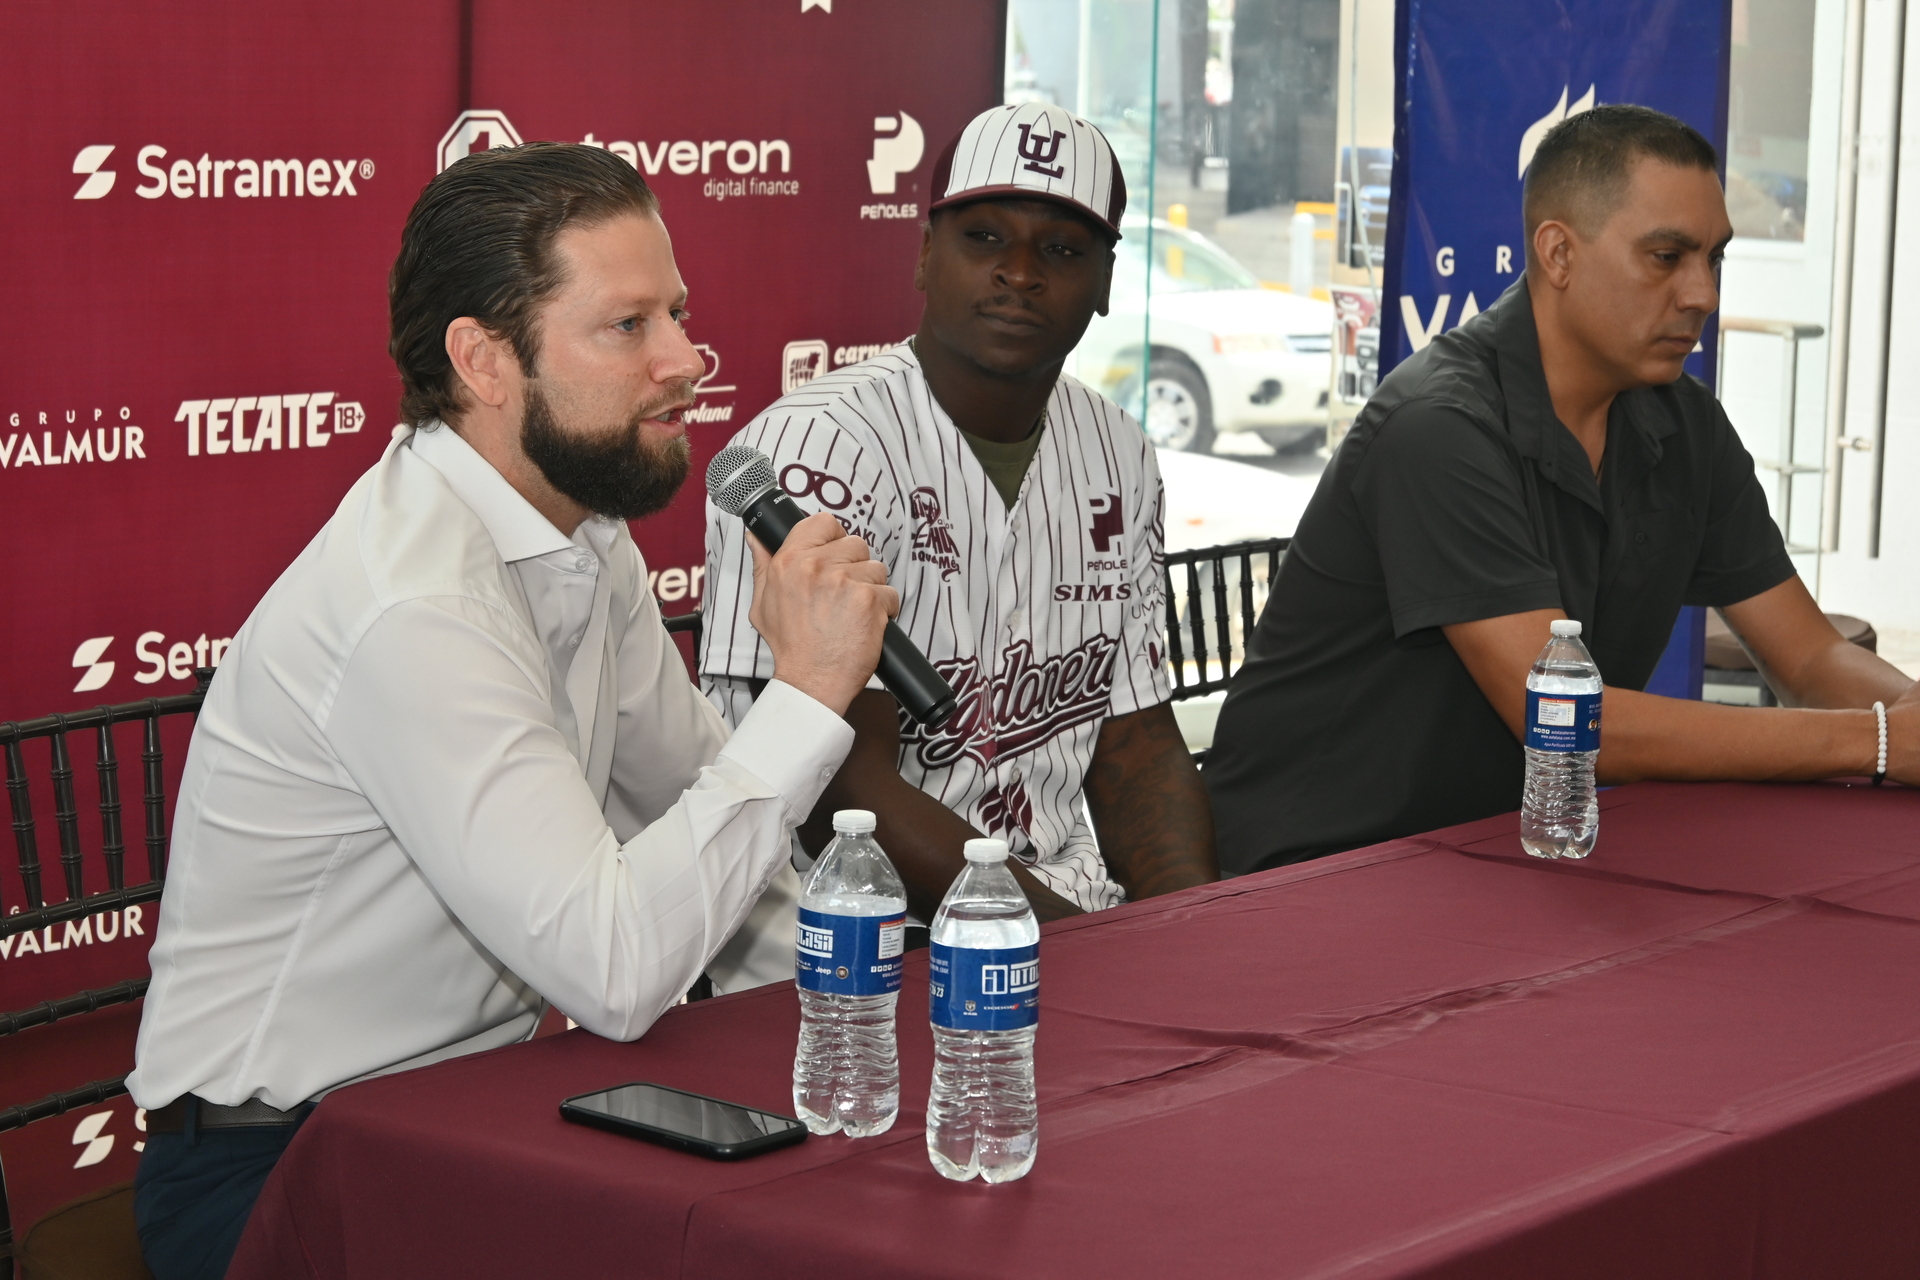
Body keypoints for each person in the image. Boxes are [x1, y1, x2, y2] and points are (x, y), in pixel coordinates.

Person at [125, 143, 896, 1279]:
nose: (686, 360)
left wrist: (863, 1034)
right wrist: (809, 691)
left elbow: (700, 811)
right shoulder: (414, 602)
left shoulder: (586, 532)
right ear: (484, 361)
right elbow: (616, 967)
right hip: (278, 1168)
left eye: (677, 313)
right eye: (626, 326)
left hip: (478, 1108)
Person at [1205, 104, 1920, 876]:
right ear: (1558, 253)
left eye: (1714, 258)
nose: (1702, 294)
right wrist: (1878, 741)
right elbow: (1570, 726)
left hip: (1520, 856)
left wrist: (1908, 713)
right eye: (1667, 256)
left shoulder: (1686, 425)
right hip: (1319, 871)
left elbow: (1809, 656)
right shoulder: (1439, 426)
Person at [699, 103, 1218, 988]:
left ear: (1105, 281)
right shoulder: (819, 447)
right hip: (848, 949)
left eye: (1062, 249)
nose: (1019, 272)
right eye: (984, 237)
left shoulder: (1118, 449)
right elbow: (837, 793)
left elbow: (1136, 745)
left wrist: (1193, 938)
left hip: (1061, 915)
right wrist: (1079, 953)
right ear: (924, 255)